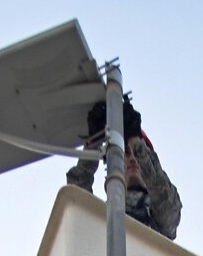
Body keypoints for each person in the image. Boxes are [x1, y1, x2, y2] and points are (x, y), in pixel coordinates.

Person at [66, 92, 181, 241]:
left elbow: (168, 205)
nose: (132, 158)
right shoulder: (101, 217)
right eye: (126, 152)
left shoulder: (159, 221)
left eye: (137, 153)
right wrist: (94, 143)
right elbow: (77, 195)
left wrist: (135, 140)